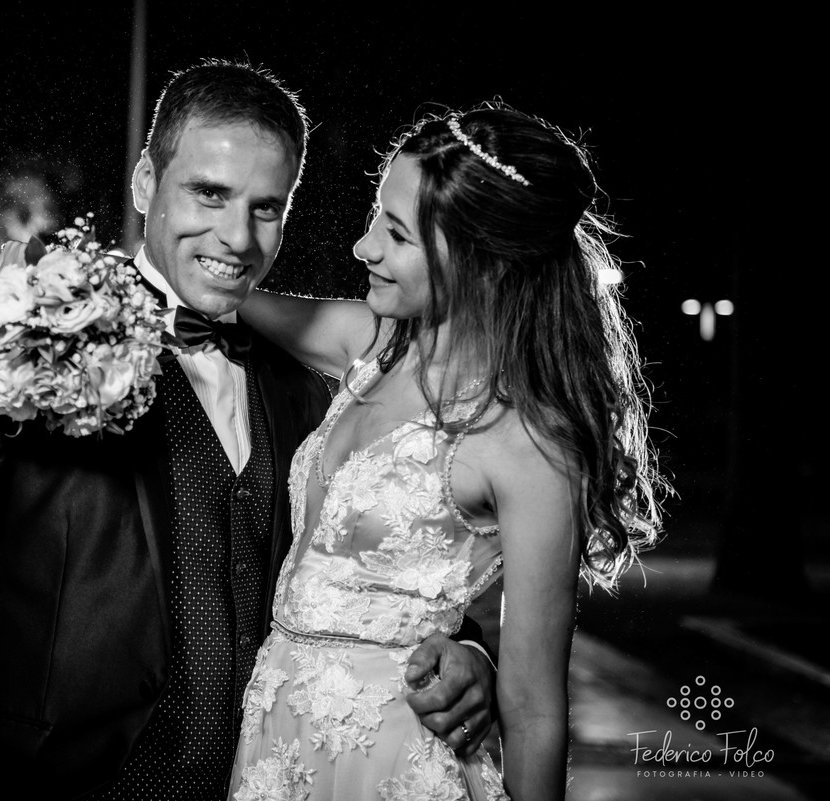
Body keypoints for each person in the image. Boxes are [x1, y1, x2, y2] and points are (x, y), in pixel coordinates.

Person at [0, 60, 496, 801]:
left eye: (265, 208)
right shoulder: (34, 332)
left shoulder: (304, 384)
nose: (236, 236)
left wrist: (467, 652)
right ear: (146, 183)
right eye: (209, 193)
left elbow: (374, 571)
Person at [226, 105, 664, 800]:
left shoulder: (527, 441)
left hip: (393, 760)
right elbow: (218, 293)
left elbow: (535, 709)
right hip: (277, 742)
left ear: (482, 262)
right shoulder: (374, 345)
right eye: (377, 215)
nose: (363, 247)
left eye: (397, 234)